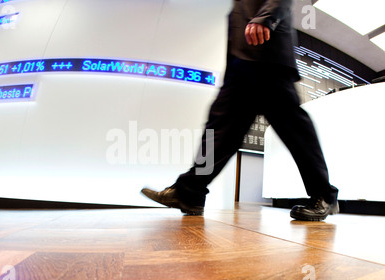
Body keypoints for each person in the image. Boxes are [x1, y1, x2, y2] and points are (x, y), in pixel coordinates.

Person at [141, 0, 339, 221]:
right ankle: (190, 191)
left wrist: (266, 18)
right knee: (219, 130)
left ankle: (324, 195)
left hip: (268, 54)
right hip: (242, 61)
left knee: (294, 128)